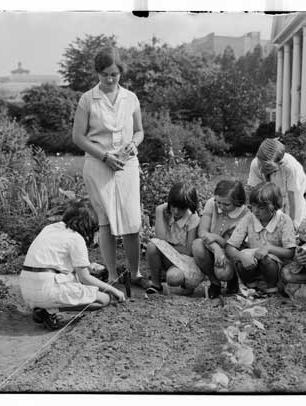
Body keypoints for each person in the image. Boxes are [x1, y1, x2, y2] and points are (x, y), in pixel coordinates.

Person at [72, 46, 149, 289]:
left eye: (114, 74)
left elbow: (139, 131)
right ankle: (114, 275)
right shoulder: (88, 99)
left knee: (132, 221)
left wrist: (133, 145)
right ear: (97, 73)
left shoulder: (131, 98)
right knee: (106, 222)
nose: (110, 79)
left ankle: (134, 273)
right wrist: (105, 156)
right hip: (98, 164)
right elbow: (78, 137)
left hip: (126, 165)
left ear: (121, 73)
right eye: (105, 74)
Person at [20, 200, 126, 330]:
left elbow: (54, 261)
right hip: (46, 289)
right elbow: (85, 278)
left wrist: (87, 266)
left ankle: (44, 308)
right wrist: (113, 290)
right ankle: (50, 310)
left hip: (27, 288)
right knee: (104, 299)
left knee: (77, 281)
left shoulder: (50, 228)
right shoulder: (76, 238)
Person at [226, 182, 296, 294]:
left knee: (267, 260)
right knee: (241, 259)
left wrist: (269, 248)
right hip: (252, 265)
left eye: (261, 207)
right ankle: (251, 286)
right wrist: (241, 256)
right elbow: (230, 247)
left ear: (273, 207)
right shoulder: (249, 218)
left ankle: (271, 287)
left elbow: (290, 252)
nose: (256, 210)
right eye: (253, 206)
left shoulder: (284, 220)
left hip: (275, 267)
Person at [192, 180, 249, 299]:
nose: (221, 207)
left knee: (223, 273)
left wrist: (217, 238)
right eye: (218, 203)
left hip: (230, 252)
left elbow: (234, 245)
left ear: (237, 202)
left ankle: (232, 278)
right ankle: (214, 283)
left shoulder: (245, 214)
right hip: (211, 247)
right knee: (197, 245)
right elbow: (202, 232)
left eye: (226, 204)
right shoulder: (211, 204)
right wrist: (216, 249)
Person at [145, 183, 203, 294]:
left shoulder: (193, 219)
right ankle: (156, 284)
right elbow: (160, 240)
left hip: (185, 261)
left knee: (173, 278)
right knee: (152, 246)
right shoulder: (166, 213)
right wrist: (158, 210)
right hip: (168, 257)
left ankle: (187, 284)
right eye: (173, 206)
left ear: (189, 206)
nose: (176, 211)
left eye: (181, 208)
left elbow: (188, 251)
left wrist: (168, 246)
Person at [247, 138, 306, 227]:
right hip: (273, 192)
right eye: (261, 164)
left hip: (294, 194)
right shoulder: (255, 164)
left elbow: (292, 196)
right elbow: (256, 192)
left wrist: (291, 224)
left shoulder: (290, 167)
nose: (261, 169)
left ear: (279, 163)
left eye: (267, 167)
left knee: (295, 224)